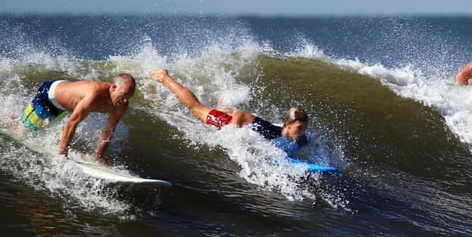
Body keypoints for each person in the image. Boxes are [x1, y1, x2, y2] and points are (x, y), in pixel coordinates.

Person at [150, 69, 309, 154]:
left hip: (235, 122)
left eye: (304, 128)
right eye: (299, 128)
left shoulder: (297, 137)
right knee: (194, 107)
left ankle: (223, 106)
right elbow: (241, 114)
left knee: (218, 110)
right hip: (223, 122)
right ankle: (164, 77)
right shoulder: (270, 130)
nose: (303, 132)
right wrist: (233, 136)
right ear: (288, 124)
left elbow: (308, 141)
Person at [20, 74, 136, 162]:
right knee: (24, 130)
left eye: (130, 96)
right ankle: (6, 117)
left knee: (41, 128)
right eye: (124, 94)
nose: (126, 100)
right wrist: (62, 153)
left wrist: (98, 158)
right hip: (50, 95)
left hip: (66, 106)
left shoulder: (121, 105)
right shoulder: (95, 96)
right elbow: (72, 122)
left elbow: (108, 130)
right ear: (114, 88)